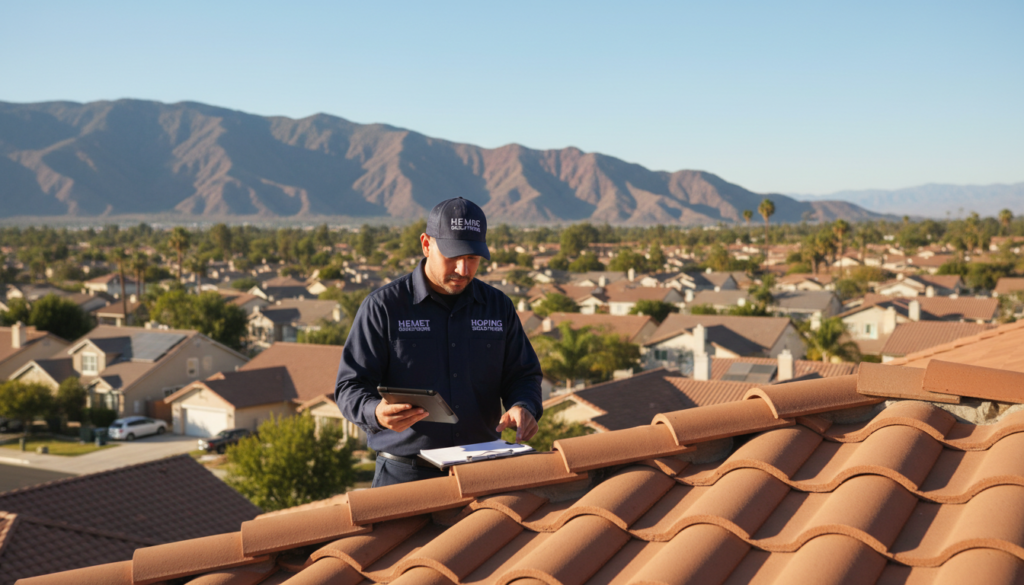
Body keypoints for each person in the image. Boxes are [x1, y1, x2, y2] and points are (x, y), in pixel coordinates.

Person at [335, 197, 543, 487]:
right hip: (405, 476)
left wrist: (524, 405)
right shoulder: (384, 307)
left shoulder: (498, 307)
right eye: (453, 256)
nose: (463, 270)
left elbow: (523, 375)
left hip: (481, 472)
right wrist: (375, 412)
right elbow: (349, 386)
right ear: (426, 244)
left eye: (472, 258)